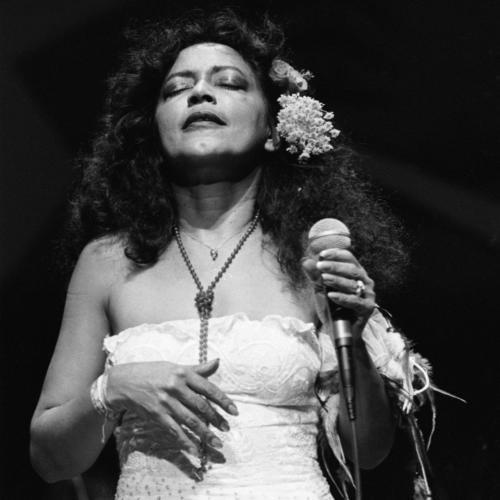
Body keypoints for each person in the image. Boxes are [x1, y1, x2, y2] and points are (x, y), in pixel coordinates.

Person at [30, 9, 432, 499]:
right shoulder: (107, 263)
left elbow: (368, 452)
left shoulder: (310, 259)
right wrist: (111, 390)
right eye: (177, 89)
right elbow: (49, 460)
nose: (200, 93)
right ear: (154, 129)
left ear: (272, 128)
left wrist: (354, 339)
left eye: (229, 83)